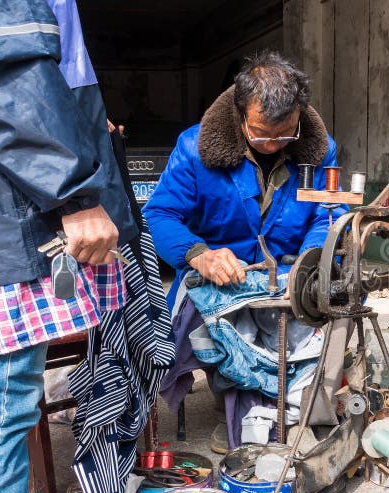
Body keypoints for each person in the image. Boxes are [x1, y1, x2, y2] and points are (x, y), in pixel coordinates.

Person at [0, 1, 137, 493]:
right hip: (2, 205)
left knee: (2, 402)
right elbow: (1, 64)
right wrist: (74, 193)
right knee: (1, 405)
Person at [144, 50, 348, 451]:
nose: (273, 145)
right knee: (210, 322)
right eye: (261, 134)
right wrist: (199, 253)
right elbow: (160, 214)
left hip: (289, 269)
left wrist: (308, 267)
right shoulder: (194, 148)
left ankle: (290, 405)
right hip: (225, 273)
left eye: (284, 134)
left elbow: (330, 215)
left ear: (300, 115)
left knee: (322, 314)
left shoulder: (319, 149)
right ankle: (237, 404)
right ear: (240, 114)